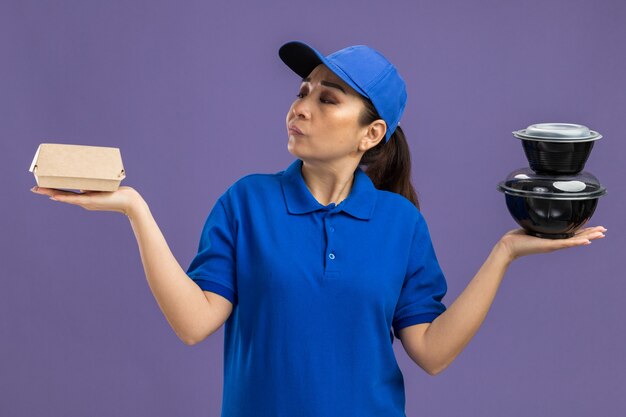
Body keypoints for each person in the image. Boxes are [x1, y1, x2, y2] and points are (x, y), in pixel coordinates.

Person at [31, 40, 606, 417]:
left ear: (370, 134)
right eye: (302, 91)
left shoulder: (400, 225)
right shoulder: (247, 202)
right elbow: (192, 322)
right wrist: (135, 208)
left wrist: (504, 252)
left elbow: (430, 351)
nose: (301, 106)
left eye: (327, 99)